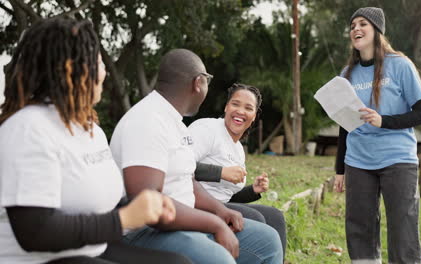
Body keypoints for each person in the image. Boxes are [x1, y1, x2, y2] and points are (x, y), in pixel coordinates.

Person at [0, 18, 192, 264]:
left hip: (89, 250)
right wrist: (123, 218)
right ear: (72, 69)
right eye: (99, 62)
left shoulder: (89, 128)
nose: (104, 72)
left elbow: (94, 201)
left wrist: (145, 205)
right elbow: (35, 232)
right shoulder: (27, 129)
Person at [109, 49, 283, 264]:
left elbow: (187, 180)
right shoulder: (147, 121)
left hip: (183, 220)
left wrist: (220, 211)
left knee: (268, 240)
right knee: (220, 260)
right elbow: (149, 204)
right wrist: (214, 223)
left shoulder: (175, 122)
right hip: (147, 231)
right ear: (198, 83)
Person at [333, 7, 421, 264]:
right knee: (359, 228)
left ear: (377, 30)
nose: (356, 29)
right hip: (358, 161)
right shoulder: (346, 75)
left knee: (403, 229)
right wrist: (340, 169)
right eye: (352, 26)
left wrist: (382, 121)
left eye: (362, 24)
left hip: (397, 158)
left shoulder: (400, 65)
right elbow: (345, 126)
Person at [189, 83, 287, 256]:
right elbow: (179, 166)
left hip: (220, 205)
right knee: (255, 218)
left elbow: (227, 196)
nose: (241, 111)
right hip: (194, 204)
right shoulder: (208, 129)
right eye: (235, 104)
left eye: (248, 108)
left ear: (254, 116)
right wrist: (221, 172)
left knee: (275, 216)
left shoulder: (238, 150)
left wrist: (253, 190)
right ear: (227, 107)